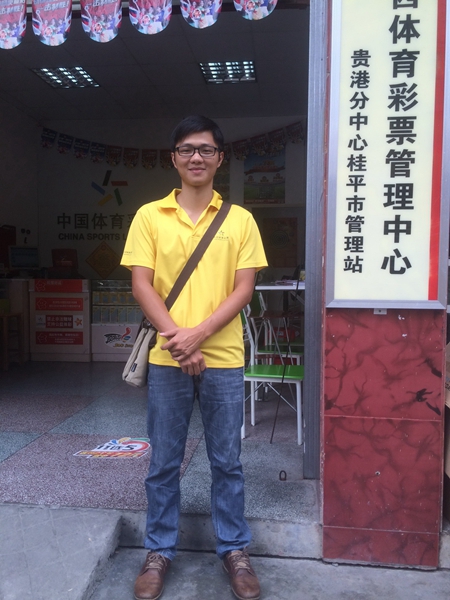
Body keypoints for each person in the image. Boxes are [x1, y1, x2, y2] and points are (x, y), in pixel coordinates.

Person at [121, 115, 267, 600]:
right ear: (174, 158)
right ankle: (158, 551)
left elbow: (243, 289)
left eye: (205, 149)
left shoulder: (241, 220)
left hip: (223, 357)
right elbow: (142, 284)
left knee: (227, 461)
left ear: (220, 158)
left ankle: (234, 550)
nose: (196, 157)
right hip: (168, 359)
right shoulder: (149, 216)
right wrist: (177, 339)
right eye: (187, 149)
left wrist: (197, 335)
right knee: (163, 461)